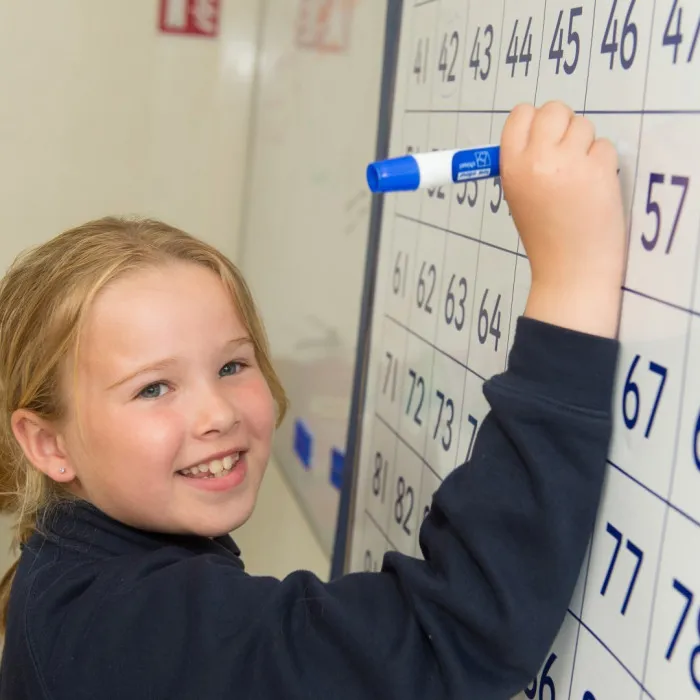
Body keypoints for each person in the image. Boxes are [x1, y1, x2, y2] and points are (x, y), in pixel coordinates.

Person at [0, 101, 626, 699]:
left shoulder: (75, 571)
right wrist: (571, 282)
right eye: (154, 388)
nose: (218, 413)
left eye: (231, 364)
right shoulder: (135, 628)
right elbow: (451, 635)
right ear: (49, 443)